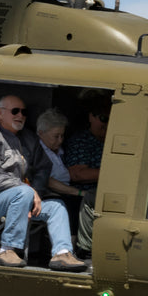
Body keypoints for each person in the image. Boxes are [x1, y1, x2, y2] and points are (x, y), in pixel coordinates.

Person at [0, 95, 87, 271]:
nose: (20, 115)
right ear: (0, 113)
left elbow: (43, 168)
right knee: (23, 193)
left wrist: (33, 194)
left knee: (56, 206)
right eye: (15, 111)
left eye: (24, 112)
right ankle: (7, 249)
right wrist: (27, 192)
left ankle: (62, 253)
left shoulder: (29, 139)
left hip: (22, 200)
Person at [64, 97, 110, 251]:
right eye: (103, 118)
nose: (107, 124)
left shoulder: (113, 141)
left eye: (112, 119)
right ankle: (84, 250)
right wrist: (114, 173)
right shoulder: (80, 141)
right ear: (91, 117)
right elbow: (77, 174)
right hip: (84, 195)